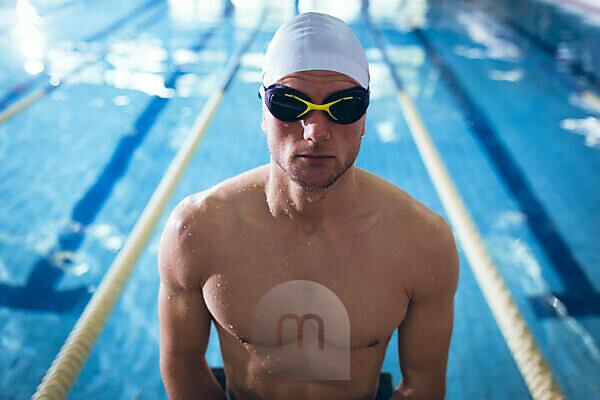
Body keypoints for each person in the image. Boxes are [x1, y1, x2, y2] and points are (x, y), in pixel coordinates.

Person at [158, 11, 459, 400]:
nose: (315, 131)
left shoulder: (422, 242)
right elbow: (182, 365)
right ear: (263, 111)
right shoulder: (196, 230)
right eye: (289, 103)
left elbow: (422, 385)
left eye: (344, 106)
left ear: (365, 116)